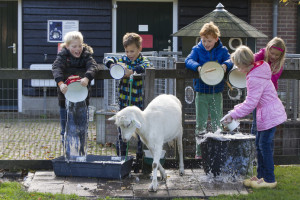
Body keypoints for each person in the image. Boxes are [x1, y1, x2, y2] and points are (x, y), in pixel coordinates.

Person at [222, 45, 287, 188]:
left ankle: (269, 180)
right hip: (267, 114)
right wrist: (233, 111)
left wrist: (232, 115)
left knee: (264, 146)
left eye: (238, 66)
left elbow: (251, 104)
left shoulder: (254, 78)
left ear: (244, 64)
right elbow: (250, 102)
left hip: (270, 115)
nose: (238, 69)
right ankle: (260, 177)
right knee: (259, 144)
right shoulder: (258, 69)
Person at [185, 21, 233, 159]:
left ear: (216, 39)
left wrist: (225, 65)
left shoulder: (222, 50)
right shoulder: (197, 49)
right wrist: (198, 67)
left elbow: (231, 60)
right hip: (201, 92)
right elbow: (189, 60)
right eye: (204, 40)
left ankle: (217, 151)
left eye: (209, 41)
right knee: (200, 123)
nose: (206, 43)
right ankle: (199, 152)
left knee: (217, 121)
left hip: (216, 92)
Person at [103, 32, 151, 172]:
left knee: (140, 133)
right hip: (124, 104)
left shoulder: (143, 60)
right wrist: (114, 66)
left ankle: (139, 161)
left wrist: (131, 71)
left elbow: (146, 65)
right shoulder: (122, 60)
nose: (129, 54)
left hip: (139, 106)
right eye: (127, 51)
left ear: (139, 49)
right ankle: (121, 161)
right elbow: (107, 59)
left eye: (132, 51)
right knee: (122, 132)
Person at [52, 31, 99, 159]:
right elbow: (56, 68)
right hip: (64, 100)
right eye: (74, 46)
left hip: (83, 101)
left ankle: (81, 155)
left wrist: (87, 77)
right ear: (67, 46)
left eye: (79, 45)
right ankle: (67, 155)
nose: (77, 49)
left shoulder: (86, 55)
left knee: (82, 129)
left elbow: (93, 66)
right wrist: (61, 83)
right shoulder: (62, 56)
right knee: (66, 129)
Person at [251, 37, 286, 135]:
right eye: (272, 53)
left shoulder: (278, 65)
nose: (274, 56)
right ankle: (254, 147)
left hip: (269, 98)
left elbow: (271, 80)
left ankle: (265, 145)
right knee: (255, 123)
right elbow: (250, 61)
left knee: (268, 124)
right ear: (268, 49)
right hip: (257, 95)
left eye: (277, 55)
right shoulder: (260, 55)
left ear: (281, 56)